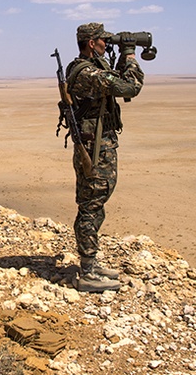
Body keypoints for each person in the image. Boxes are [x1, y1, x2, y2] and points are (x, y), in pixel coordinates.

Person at [66, 22, 144, 292]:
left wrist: (121, 56)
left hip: (99, 144)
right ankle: (87, 272)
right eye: (103, 40)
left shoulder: (90, 69)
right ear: (91, 43)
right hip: (95, 148)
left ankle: (91, 261)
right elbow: (131, 87)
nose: (106, 44)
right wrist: (131, 55)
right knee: (92, 204)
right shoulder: (88, 73)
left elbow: (115, 82)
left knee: (96, 200)